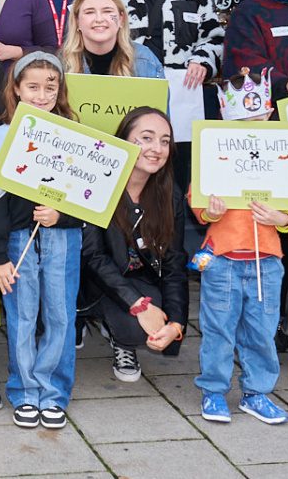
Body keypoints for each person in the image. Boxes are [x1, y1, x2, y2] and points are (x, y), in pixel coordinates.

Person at [0, 51, 84, 429]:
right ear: (17, 89)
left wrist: (62, 214)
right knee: (22, 315)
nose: (42, 94)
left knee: (60, 314)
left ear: (60, 90)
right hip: (18, 239)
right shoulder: (3, 135)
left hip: (62, 237)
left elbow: (89, 197)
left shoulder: (74, 133)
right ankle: (25, 391)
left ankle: (54, 391)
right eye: (33, 86)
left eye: (50, 86)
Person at [81, 108, 188, 384]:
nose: (157, 148)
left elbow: (175, 263)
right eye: (147, 138)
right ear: (125, 141)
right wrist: (137, 305)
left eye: (165, 141)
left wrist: (176, 324)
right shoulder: (98, 183)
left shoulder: (169, 195)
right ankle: (94, 324)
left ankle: (121, 333)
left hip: (138, 278)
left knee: (157, 323)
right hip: (93, 282)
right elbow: (93, 257)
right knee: (133, 324)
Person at [191, 184, 288, 425]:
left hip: (267, 261)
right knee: (218, 329)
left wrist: (283, 218)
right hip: (221, 258)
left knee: (262, 330)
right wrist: (210, 213)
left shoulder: (279, 156)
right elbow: (197, 190)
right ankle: (213, 390)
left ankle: (256, 392)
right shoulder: (218, 152)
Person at [60, 0, 167, 80]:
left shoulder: (145, 60)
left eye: (107, 11)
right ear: (77, 21)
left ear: (121, 19)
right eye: (89, 12)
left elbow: (158, 101)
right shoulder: (62, 63)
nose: (99, 19)